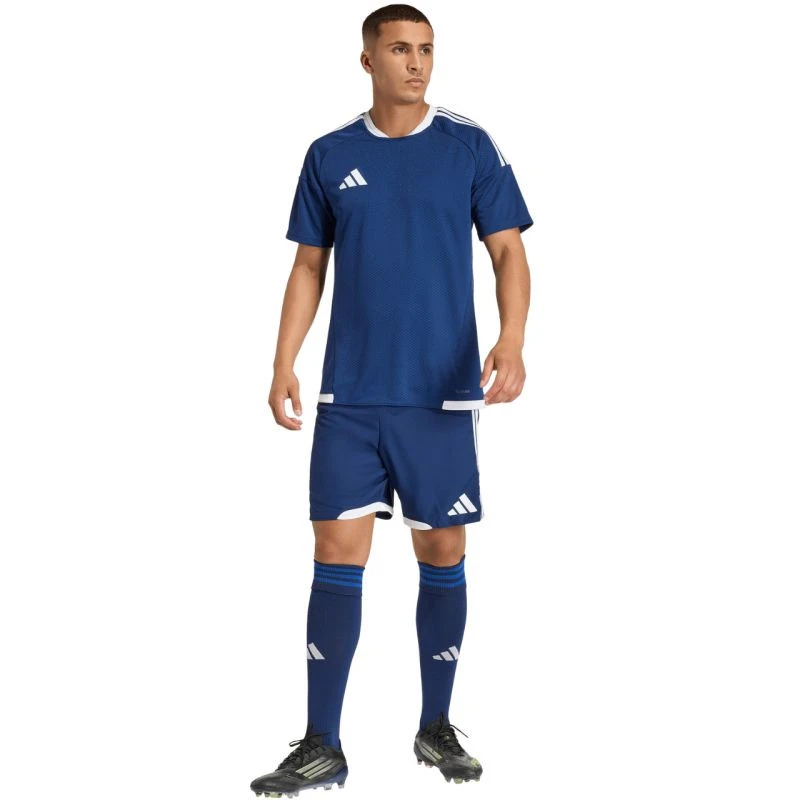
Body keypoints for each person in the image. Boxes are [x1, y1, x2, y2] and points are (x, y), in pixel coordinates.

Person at [250, 4, 533, 796]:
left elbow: (508, 251)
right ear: (367, 60)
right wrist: (282, 361)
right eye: (401, 49)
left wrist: (512, 340)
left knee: (441, 552)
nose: (417, 63)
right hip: (351, 396)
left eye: (427, 50)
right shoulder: (330, 153)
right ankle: (322, 743)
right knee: (335, 553)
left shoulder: (468, 145)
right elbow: (309, 265)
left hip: (440, 397)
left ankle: (436, 725)